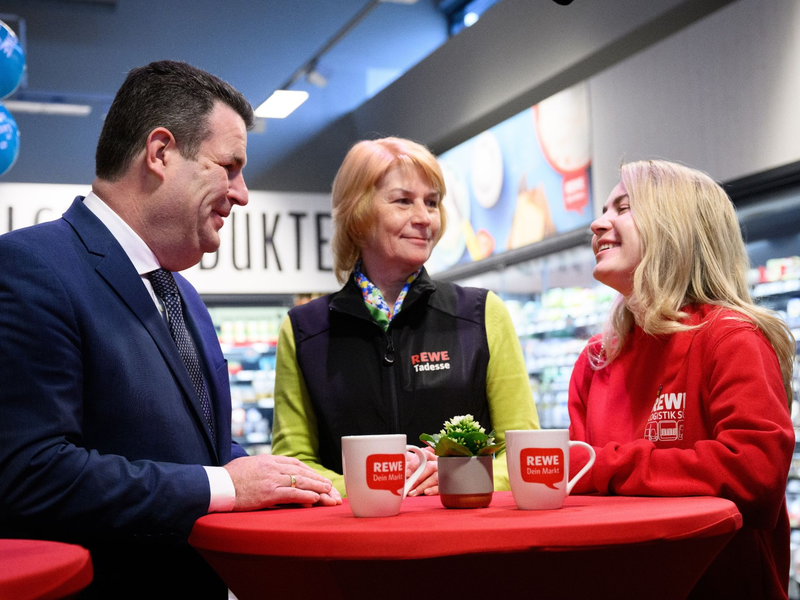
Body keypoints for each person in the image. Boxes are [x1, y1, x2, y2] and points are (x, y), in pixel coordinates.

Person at [0, 60, 338, 599]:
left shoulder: (182, 297)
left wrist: (280, 479)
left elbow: (195, 448)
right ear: (160, 153)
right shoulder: (30, 268)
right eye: (229, 166)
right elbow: (32, 473)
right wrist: (226, 484)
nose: (243, 193)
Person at [568, 160, 796, 599]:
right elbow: (585, 495)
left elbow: (755, 475)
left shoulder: (731, 337)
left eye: (623, 207)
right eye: (602, 210)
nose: (598, 224)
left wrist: (604, 466)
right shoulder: (596, 358)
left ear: (676, 226)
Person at [271, 136, 539, 497]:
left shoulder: (482, 314)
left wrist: (462, 475)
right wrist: (374, 486)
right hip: (355, 542)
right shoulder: (304, 330)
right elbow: (294, 463)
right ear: (358, 212)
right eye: (403, 201)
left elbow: (524, 454)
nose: (424, 218)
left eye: (432, 202)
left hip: (464, 539)